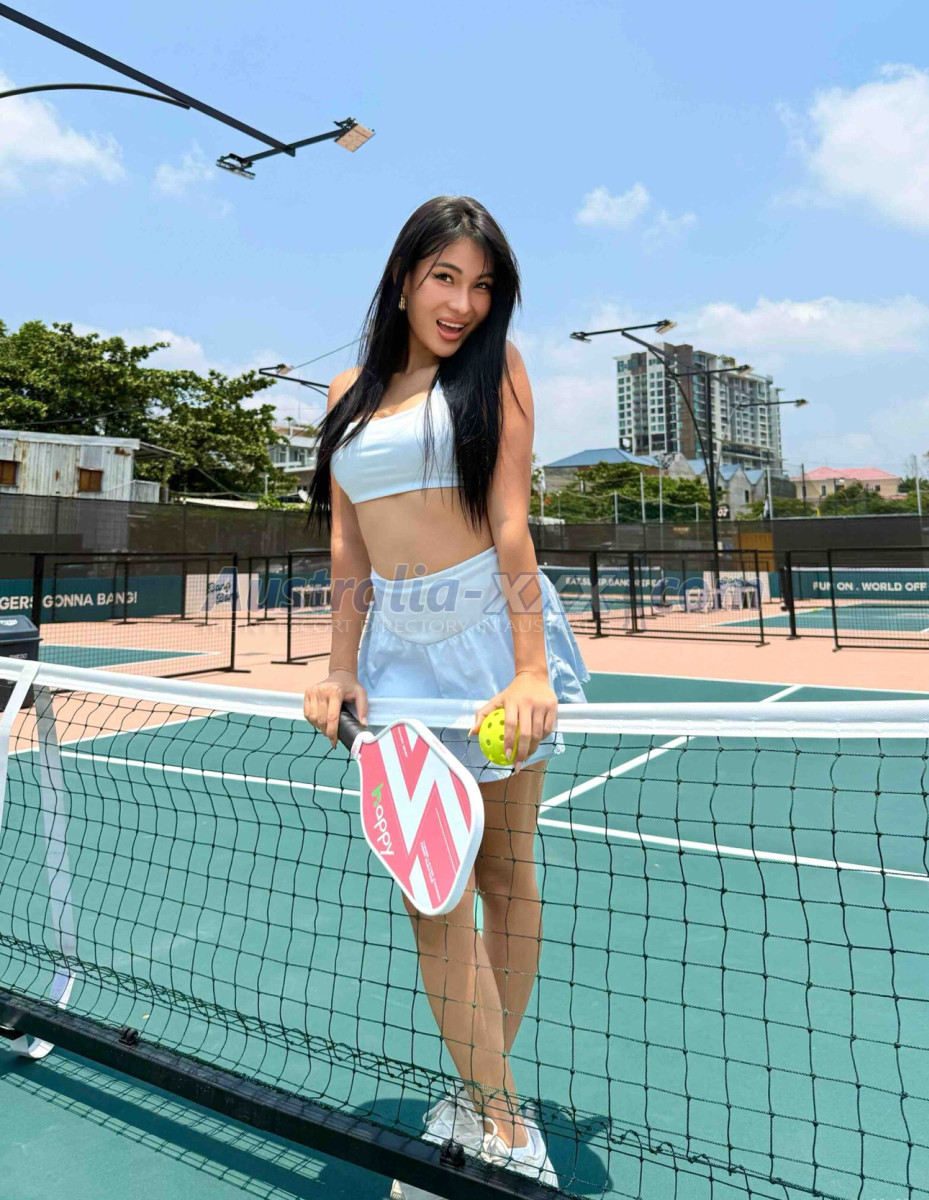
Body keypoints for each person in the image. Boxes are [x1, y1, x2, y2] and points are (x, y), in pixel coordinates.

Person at [304, 195, 590, 1195]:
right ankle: (493, 1103)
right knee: (432, 896)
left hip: (488, 639)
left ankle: (493, 1117)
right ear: (402, 280)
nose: (462, 303)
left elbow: (510, 524)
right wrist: (339, 664)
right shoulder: (348, 391)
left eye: (481, 285)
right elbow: (347, 546)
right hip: (397, 662)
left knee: (503, 875)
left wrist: (529, 669)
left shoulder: (497, 372)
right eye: (444, 278)